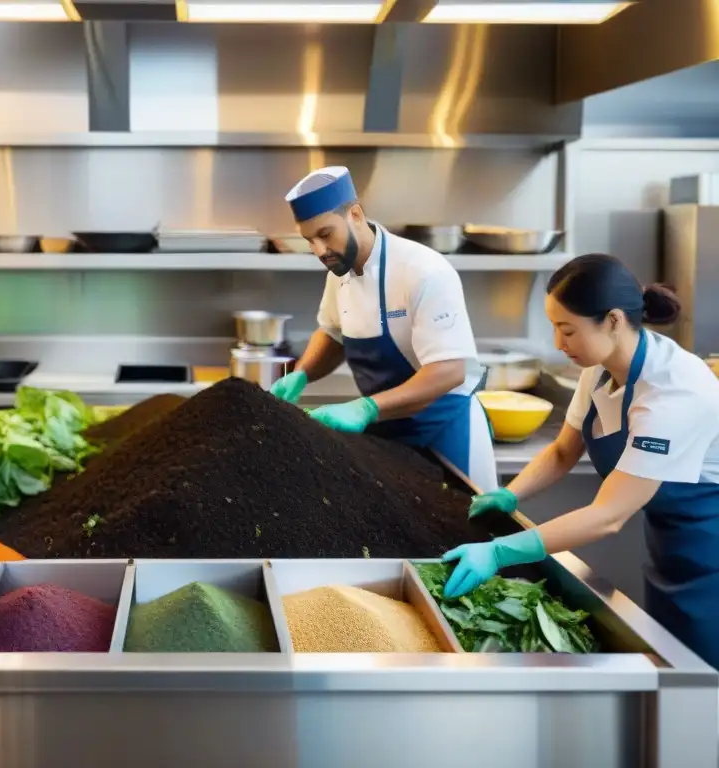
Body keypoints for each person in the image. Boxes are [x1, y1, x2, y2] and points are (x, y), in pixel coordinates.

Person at [442, 253, 719, 667]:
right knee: (676, 664)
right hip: (671, 540)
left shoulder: (672, 393)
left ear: (611, 321)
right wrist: (510, 495)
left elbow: (609, 515)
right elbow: (561, 451)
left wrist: (502, 552)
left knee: (702, 675)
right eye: (555, 327)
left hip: (709, 545)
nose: (558, 343)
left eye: (566, 329)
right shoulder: (601, 365)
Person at [270, 166, 498, 492]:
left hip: (447, 436)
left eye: (325, 234)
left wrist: (367, 407)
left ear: (356, 215)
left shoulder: (423, 271)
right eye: (310, 240)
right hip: (388, 438)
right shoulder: (340, 273)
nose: (319, 251)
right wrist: (302, 374)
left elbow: (449, 371)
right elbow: (333, 333)